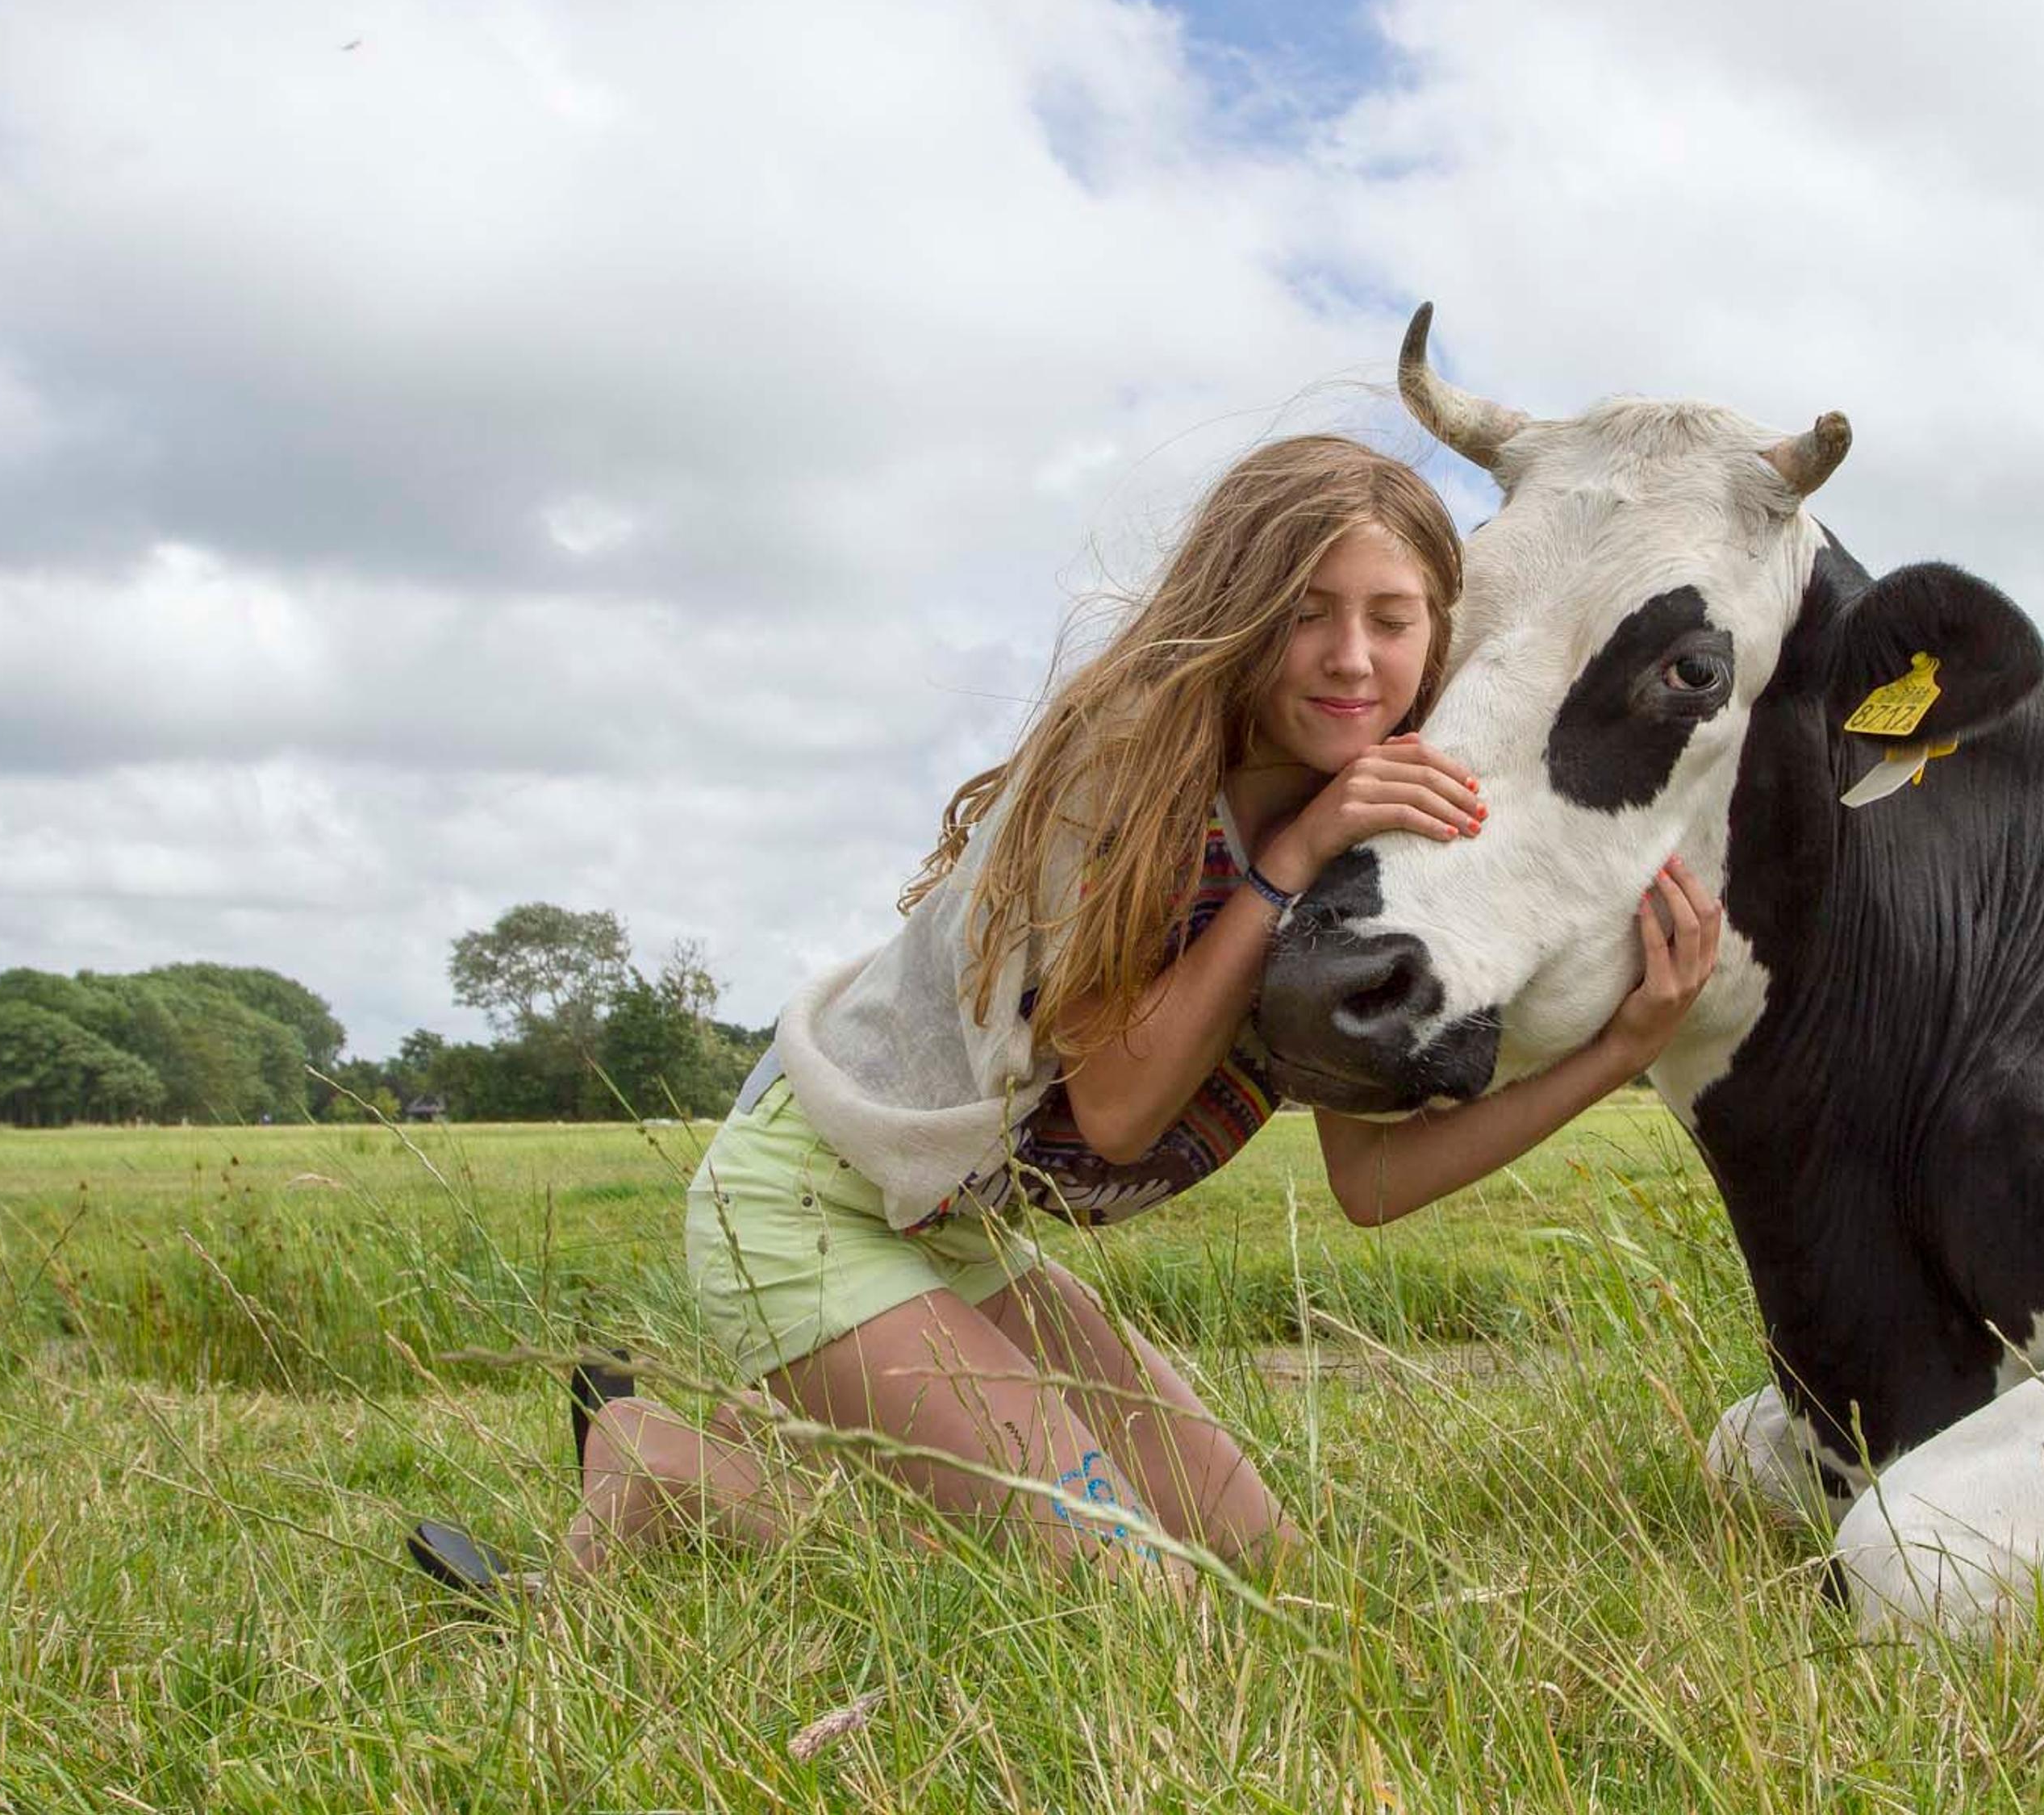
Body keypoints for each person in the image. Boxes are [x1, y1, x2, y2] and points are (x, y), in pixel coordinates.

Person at [407, 433, 1720, 1593]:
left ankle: (676, 1466)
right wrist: (1287, 864)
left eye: (1394, 617)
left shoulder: (1372, 826)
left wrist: (1622, 1050)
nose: (1353, 659)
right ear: (1241, 612)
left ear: (1443, 631)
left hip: (961, 1233)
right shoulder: (1129, 771)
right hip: (807, 1201)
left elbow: (1369, 1181)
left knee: (1266, 1572)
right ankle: (670, 1472)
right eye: (1309, 613)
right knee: (1144, 1605)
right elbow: (1117, 1106)